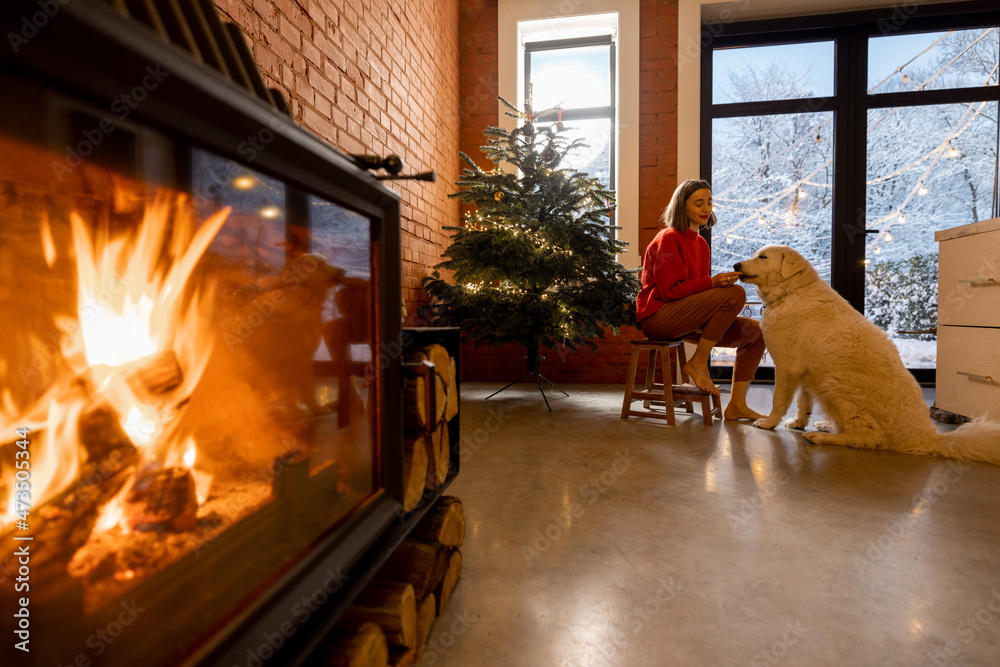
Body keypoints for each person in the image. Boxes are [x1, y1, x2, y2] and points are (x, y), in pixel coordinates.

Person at [636, 179, 766, 421]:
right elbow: (670, 292)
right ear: (681, 207)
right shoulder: (669, 238)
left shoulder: (701, 244)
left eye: (709, 202)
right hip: (659, 317)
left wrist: (715, 286)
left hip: (686, 318)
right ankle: (698, 363)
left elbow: (698, 294)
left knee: (756, 333)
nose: (706, 209)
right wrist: (713, 283)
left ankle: (737, 406)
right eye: (698, 203)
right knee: (735, 294)